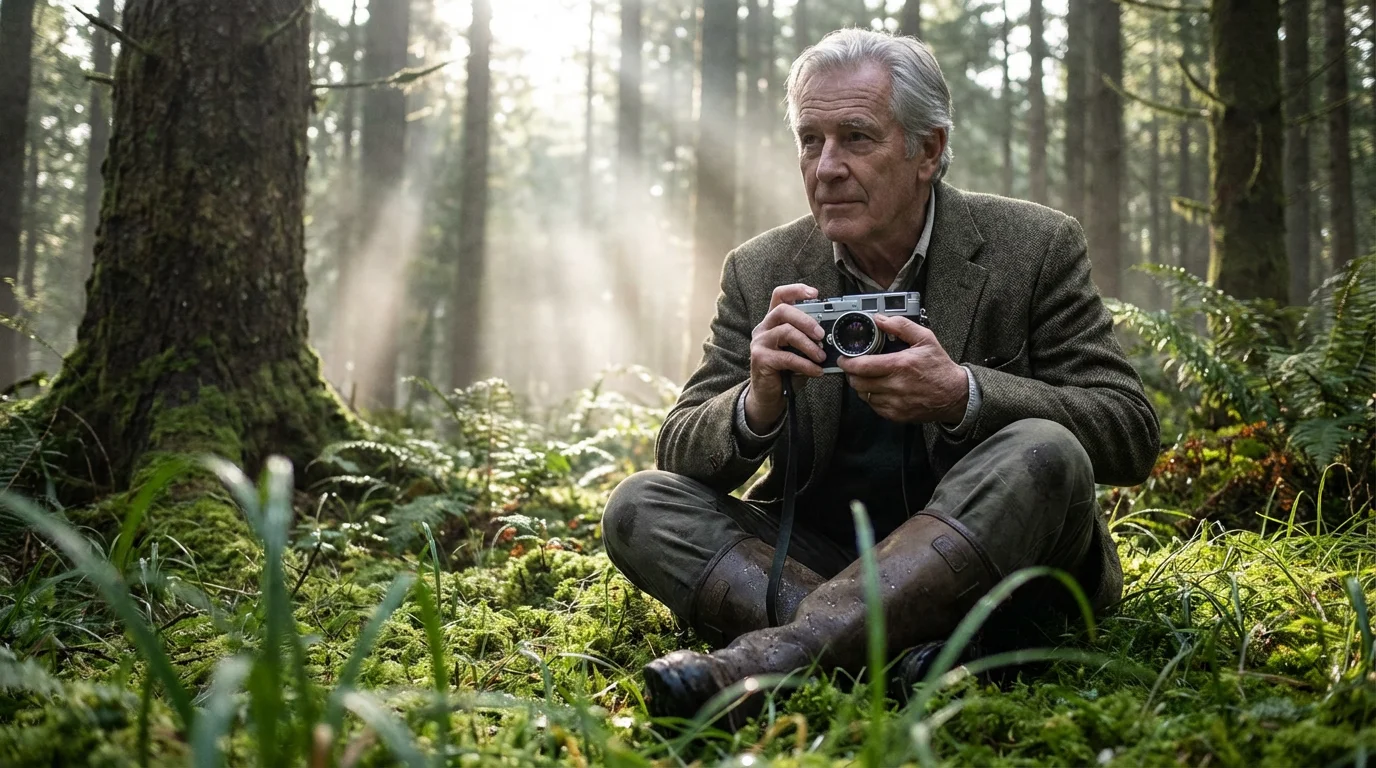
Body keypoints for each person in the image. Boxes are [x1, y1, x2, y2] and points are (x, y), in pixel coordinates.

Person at [601, 28, 1160, 723]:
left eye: (856, 138)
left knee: (1043, 450)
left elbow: (1130, 429)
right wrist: (757, 401)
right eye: (810, 140)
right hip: (824, 551)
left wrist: (963, 395)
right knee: (639, 504)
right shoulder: (762, 268)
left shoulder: (1035, 246)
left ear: (927, 150)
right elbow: (680, 449)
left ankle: (767, 661)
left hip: (999, 563)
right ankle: (901, 658)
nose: (826, 166)